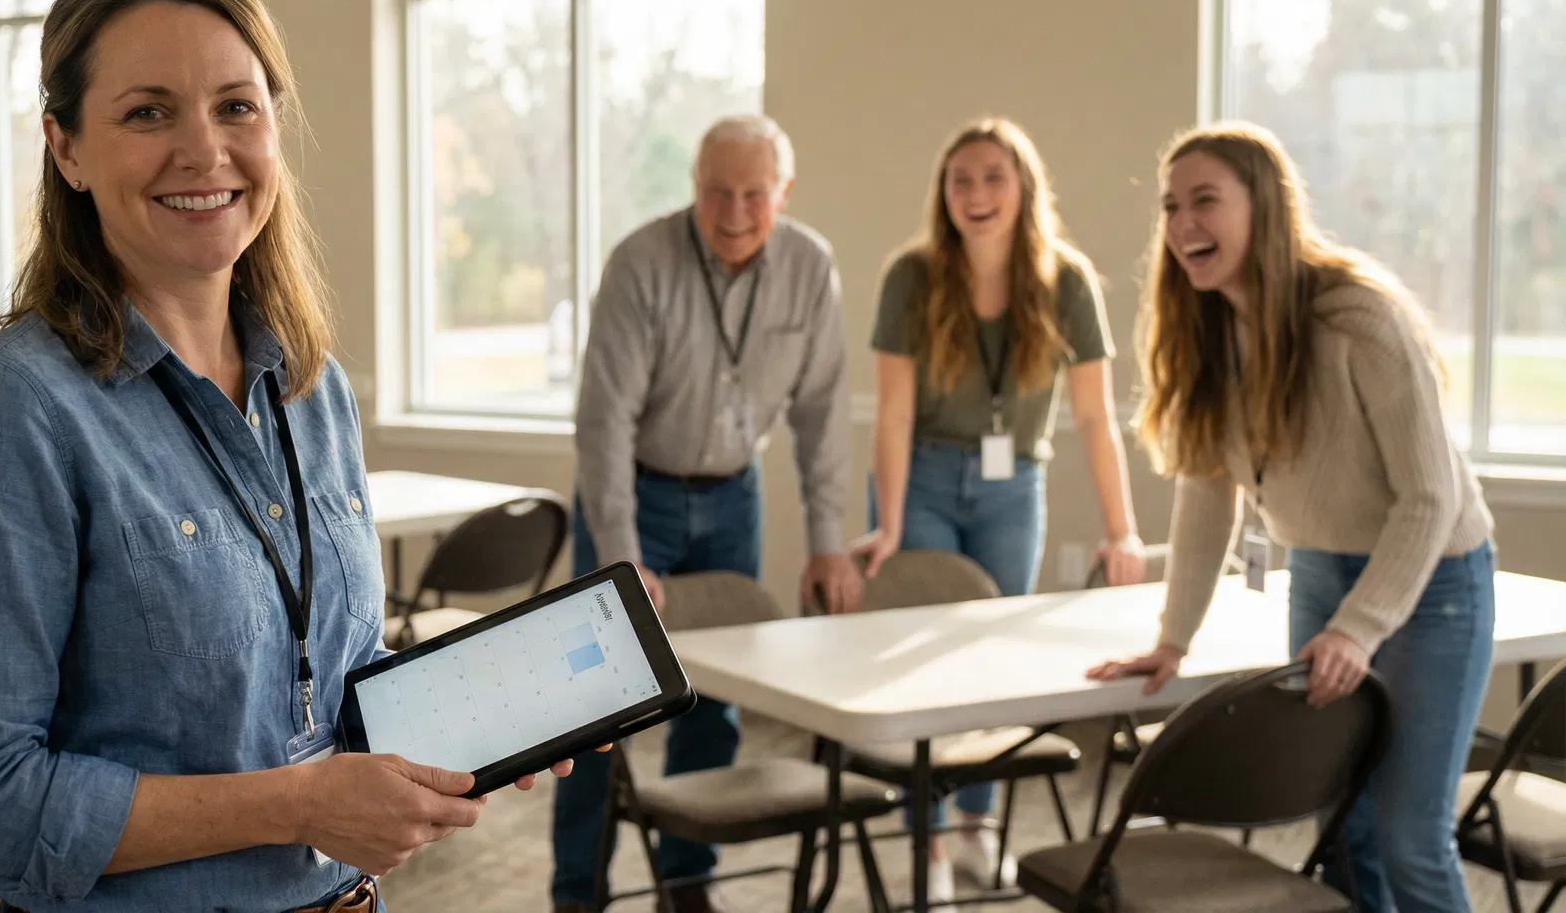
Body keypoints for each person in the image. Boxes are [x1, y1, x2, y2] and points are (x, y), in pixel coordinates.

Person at [0, 0, 574, 913]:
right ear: (66, 147)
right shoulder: (10, 415)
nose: (204, 152)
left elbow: (320, 684)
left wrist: (492, 715)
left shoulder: (310, 384)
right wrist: (294, 806)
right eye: (146, 112)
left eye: (235, 107)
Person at [1089, 122, 1496, 913]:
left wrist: (1359, 625)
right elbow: (1208, 493)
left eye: (1205, 200)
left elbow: (1430, 495)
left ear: (1266, 208)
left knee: (1412, 841)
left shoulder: (1358, 319)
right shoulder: (1206, 333)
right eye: (1171, 207)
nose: (1181, 225)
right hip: (1317, 570)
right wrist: (1174, 638)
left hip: (1434, 583)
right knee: (1349, 828)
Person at [553, 115, 858, 913]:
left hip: (733, 495)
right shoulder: (641, 264)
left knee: (709, 700)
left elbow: (823, 417)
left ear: (783, 194)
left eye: (754, 195)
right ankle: (576, 892)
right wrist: (621, 555)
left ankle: (687, 882)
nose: (733, 212)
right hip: (635, 493)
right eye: (717, 192)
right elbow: (604, 422)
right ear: (695, 185)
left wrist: (829, 544)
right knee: (596, 713)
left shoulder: (810, 266)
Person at [852, 117, 1145, 899]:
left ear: (1024, 190)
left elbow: (1092, 417)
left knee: (989, 662)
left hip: (1014, 486)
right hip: (923, 478)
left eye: (993, 178)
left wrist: (1123, 530)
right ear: (943, 196)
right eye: (961, 180)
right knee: (918, 656)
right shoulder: (911, 278)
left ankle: (980, 826)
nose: (976, 195)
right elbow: (892, 413)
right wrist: (885, 519)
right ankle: (932, 842)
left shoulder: (1066, 281)